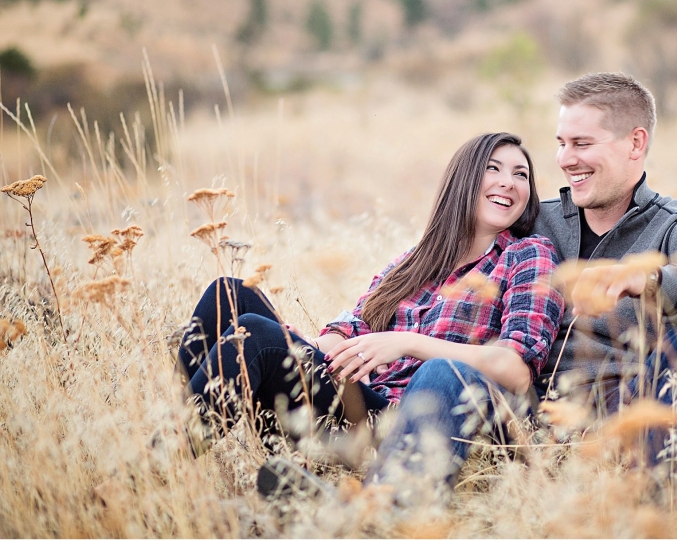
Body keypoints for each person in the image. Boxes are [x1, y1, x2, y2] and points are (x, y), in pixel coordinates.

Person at [368, 72, 677, 491]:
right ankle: (387, 515)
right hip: (524, 415)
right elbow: (454, 260)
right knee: (444, 371)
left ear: (636, 143)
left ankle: (643, 500)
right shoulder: (533, 219)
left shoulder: (674, 228)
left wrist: (652, 278)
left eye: (582, 144)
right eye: (561, 143)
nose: (565, 159)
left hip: (626, 413)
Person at [175, 132, 563, 467]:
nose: (509, 182)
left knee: (254, 336)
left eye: (521, 174)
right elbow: (351, 328)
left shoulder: (528, 255)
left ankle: (165, 462)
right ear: (463, 179)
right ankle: (178, 446)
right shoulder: (418, 259)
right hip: (354, 400)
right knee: (229, 294)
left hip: (412, 422)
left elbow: (517, 370)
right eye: (494, 169)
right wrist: (302, 346)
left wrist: (407, 343)